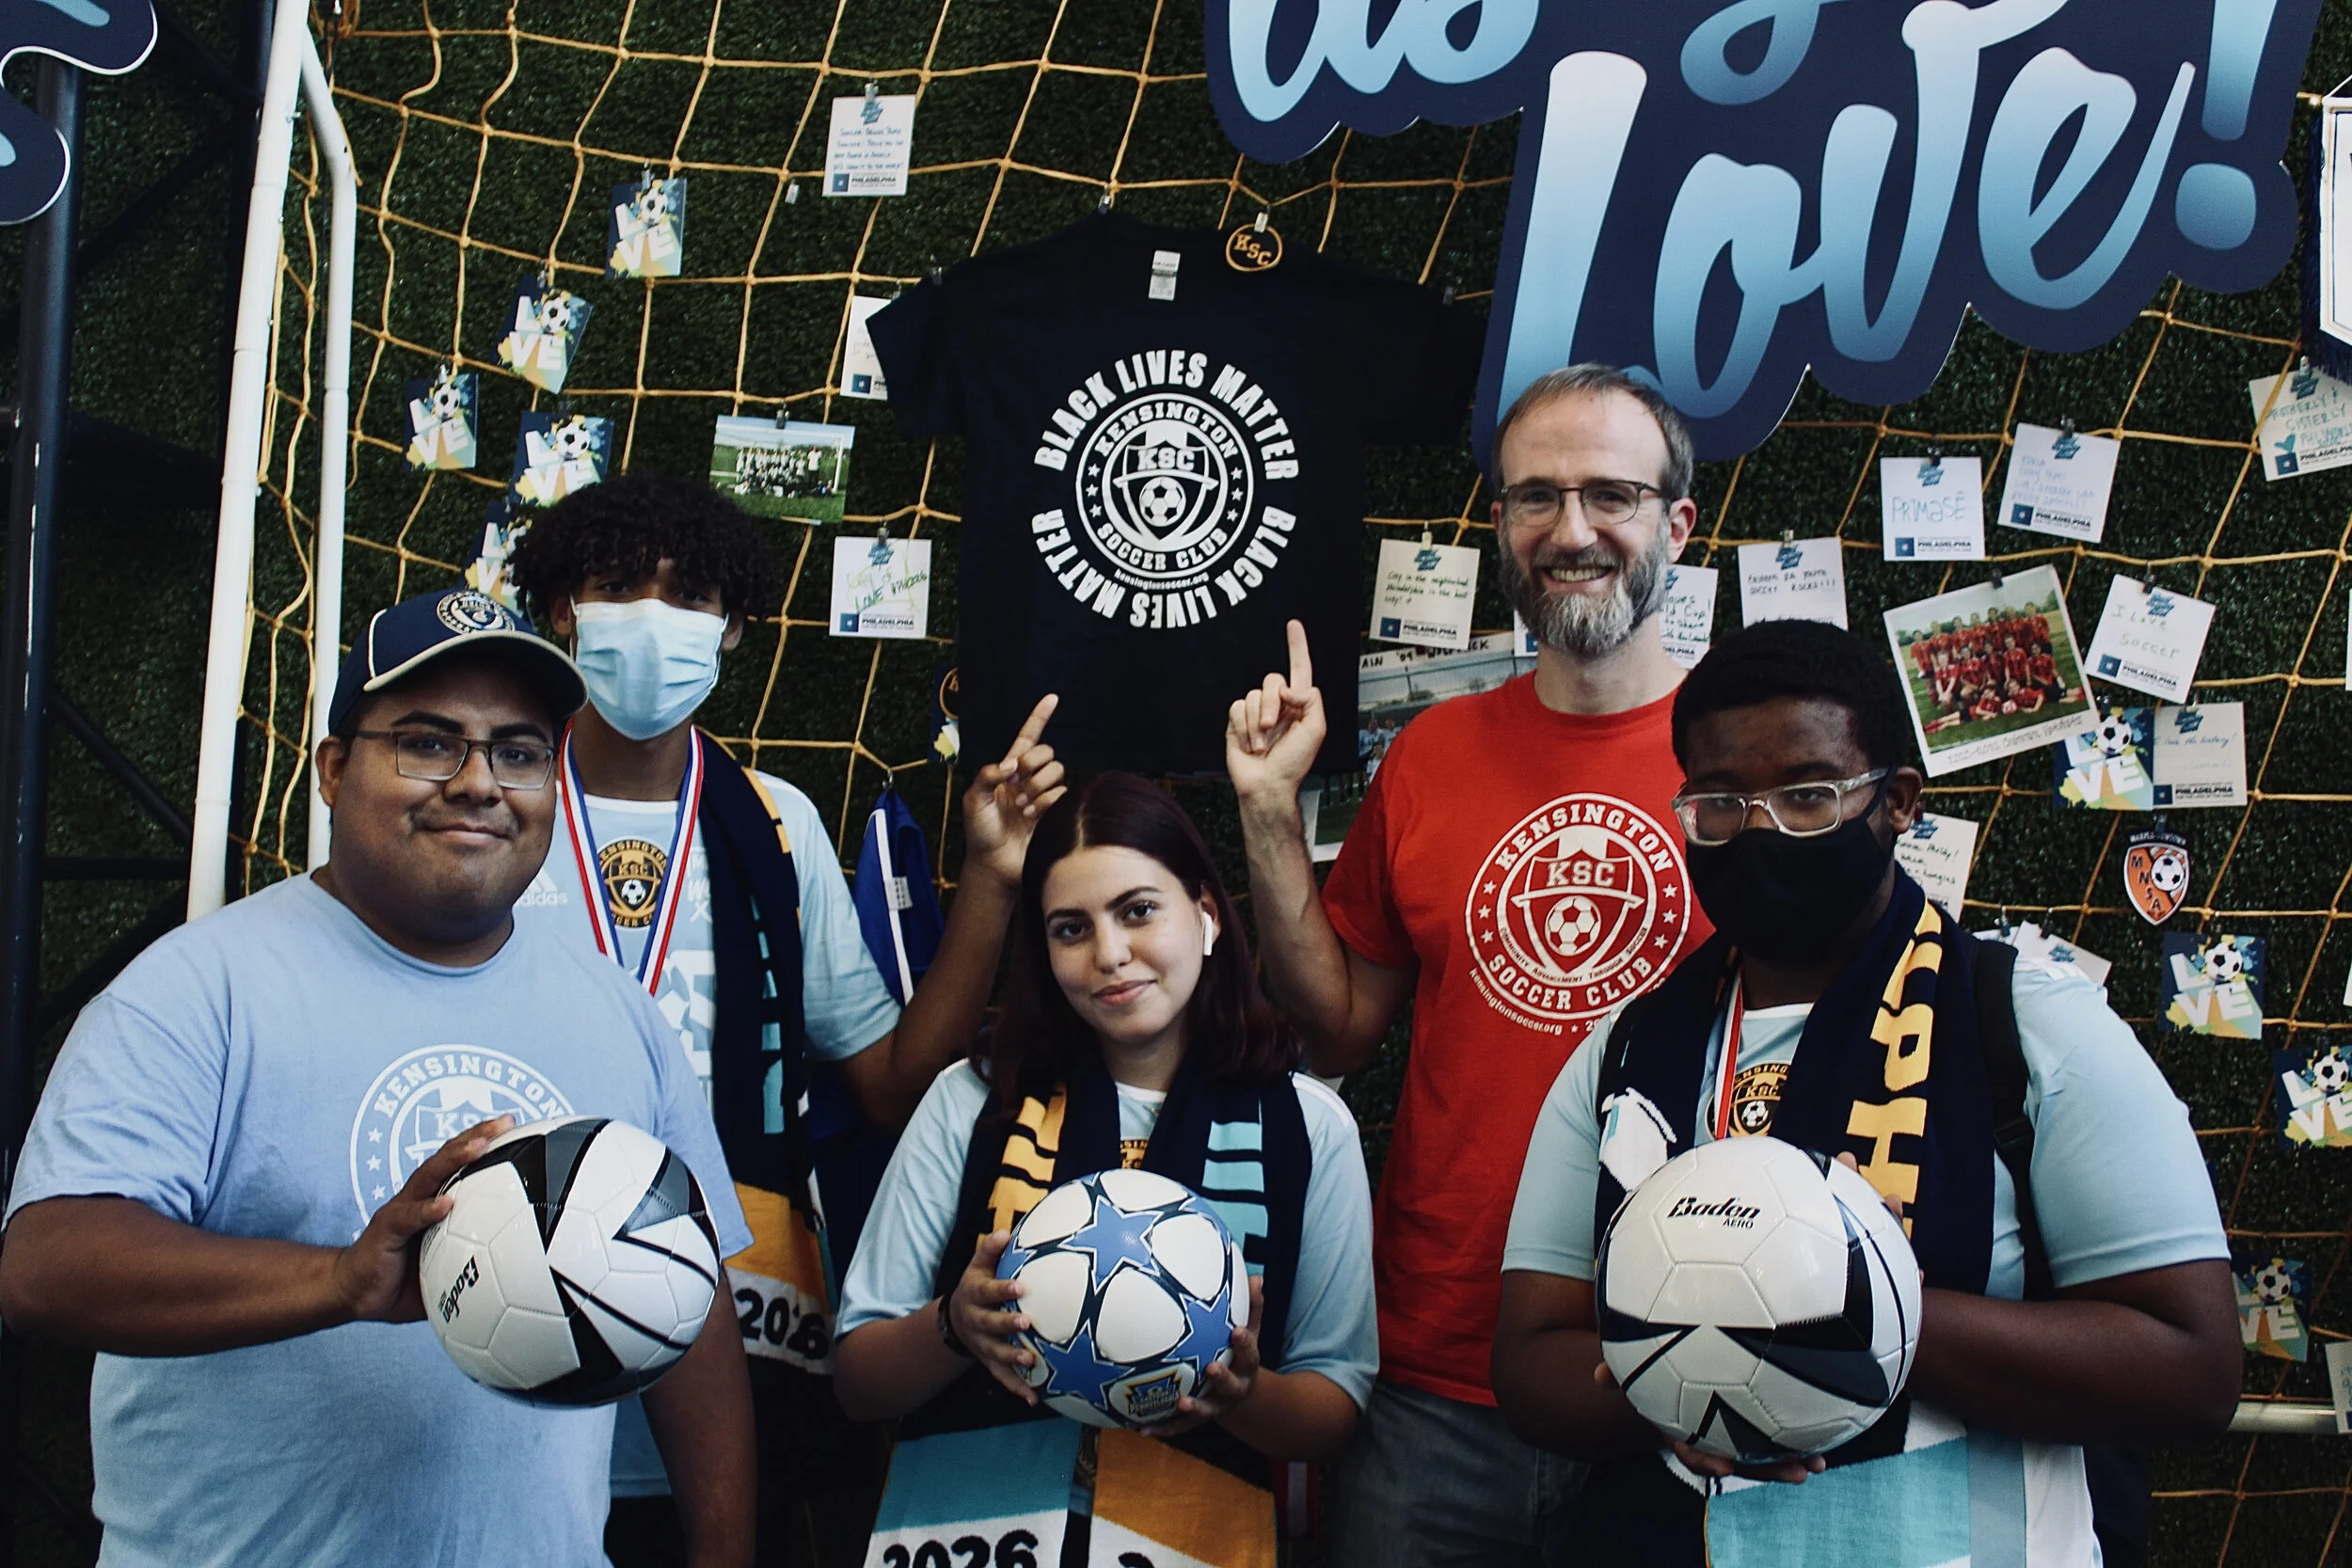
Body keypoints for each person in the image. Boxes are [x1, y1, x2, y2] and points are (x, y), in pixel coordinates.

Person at [0, 586, 757, 1568]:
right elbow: (46, 1264)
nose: (479, 783)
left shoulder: (618, 1013)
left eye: (519, 752)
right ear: (332, 769)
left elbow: (687, 1288)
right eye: (428, 743)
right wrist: (338, 1280)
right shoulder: (198, 989)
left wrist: (724, 1549)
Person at [1492, 619, 2237, 1568]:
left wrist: (1846, 1313)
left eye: (1808, 795)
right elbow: (1530, 1356)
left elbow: (2193, 1364)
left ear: (1897, 802)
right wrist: (1671, 1376)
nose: (1759, 829)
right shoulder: (1628, 1048)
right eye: (1719, 802)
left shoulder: (2027, 1023)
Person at [502, 472, 1063, 1566]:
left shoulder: (775, 822)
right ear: (564, 608)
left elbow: (891, 1084)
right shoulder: (494, 802)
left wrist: (993, 875)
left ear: (732, 626)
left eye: (688, 595)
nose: (653, 618)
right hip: (509, 1328)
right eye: (619, 587)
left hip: (722, 1338)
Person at [1224, 363, 1714, 1563]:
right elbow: (1338, 1030)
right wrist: (1268, 810)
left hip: (1681, 1359)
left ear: (1678, 522)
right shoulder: (1432, 752)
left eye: (1610, 494)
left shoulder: (1745, 762)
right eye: (1535, 496)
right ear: (1500, 523)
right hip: (1434, 1370)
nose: (1571, 529)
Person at [832, 773, 1376, 1567]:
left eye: (1138, 910)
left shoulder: (1306, 1125)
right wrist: (954, 1326)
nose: (1110, 953)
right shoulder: (973, 1099)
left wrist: (1242, 1395)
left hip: (1193, 1538)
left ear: (1206, 914)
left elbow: (1335, 1406)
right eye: (1070, 927)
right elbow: (857, 1379)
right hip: (969, 1534)